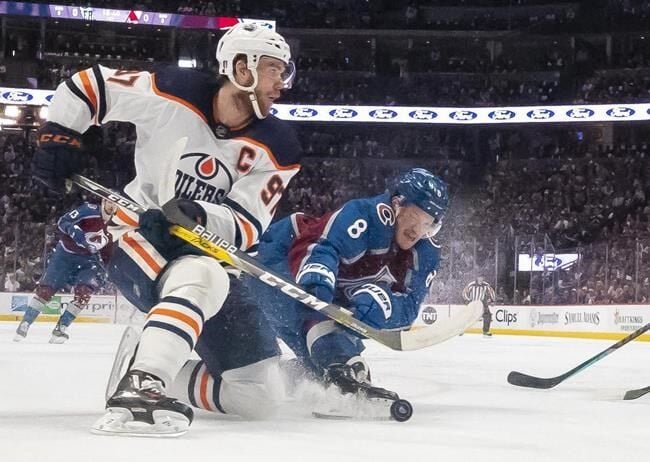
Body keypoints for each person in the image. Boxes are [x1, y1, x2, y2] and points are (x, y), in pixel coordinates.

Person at [32, 22, 301, 436]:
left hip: (206, 253)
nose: (281, 83)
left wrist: (199, 214)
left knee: (259, 395)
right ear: (241, 67)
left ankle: (148, 363)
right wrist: (61, 133)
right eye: (273, 70)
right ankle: (145, 382)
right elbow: (88, 84)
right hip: (137, 234)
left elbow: (247, 225)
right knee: (201, 274)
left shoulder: (279, 145)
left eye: (284, 72)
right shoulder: (172, 89)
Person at [14, 200, 116, 343]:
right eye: (110, 202)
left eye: (116, 203)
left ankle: (60, 329)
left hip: (88, 261)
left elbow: (108, 253)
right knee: (46, 291)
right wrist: (76, 233)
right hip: (65, 255)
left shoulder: (117, 224)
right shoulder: (89, 210)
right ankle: (25, 324)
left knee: (84, 294)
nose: (113, 206)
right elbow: (63, 221)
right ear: (104, 201)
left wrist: (106, 269)